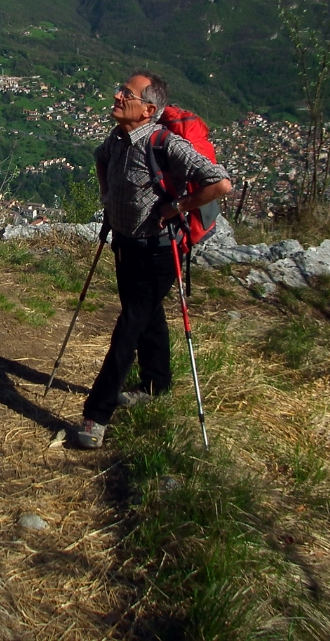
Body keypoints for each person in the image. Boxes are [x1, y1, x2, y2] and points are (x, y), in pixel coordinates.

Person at [76, 70, 232, 450]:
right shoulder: (116, 140)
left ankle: (97, 413)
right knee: (146, 314)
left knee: (128, 326)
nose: (116, 96)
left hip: (159, 251)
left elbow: (220, 183)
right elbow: (99, 159)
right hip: (126, 244)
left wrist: (176, 206)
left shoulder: (165, 144)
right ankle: (155, 384)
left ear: (148, 108)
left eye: (124, 93)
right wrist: (108, 199)